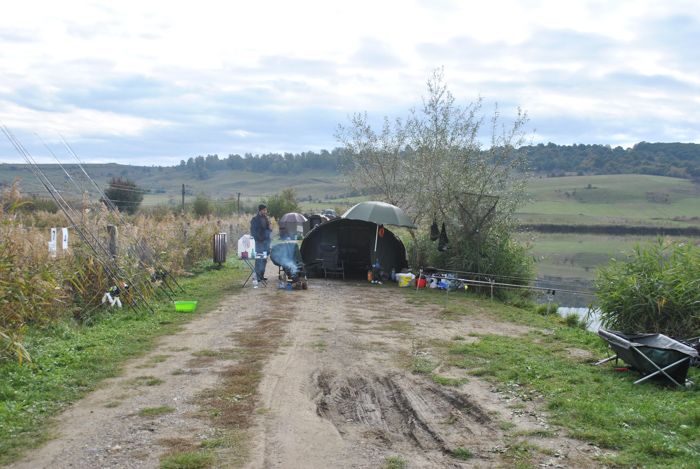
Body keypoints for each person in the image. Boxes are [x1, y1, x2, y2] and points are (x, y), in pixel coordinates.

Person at [250, 203, 272, 281]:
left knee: (264, 259)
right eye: (264, 210)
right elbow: (253, 232)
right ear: (260, 210)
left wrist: (270, 226)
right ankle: (257, 276)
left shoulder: (266, 219)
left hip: (266, 242)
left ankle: (261, 276)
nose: (266, 212)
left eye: (266, 210)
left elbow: (269, 230)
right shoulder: (255, 219)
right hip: (259, 243)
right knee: (259, 259)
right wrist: (259, 239)